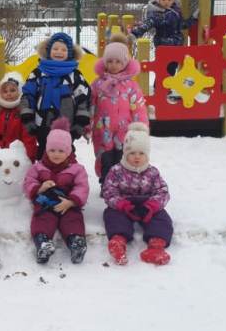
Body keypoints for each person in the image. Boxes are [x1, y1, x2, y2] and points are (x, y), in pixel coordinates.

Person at [102, 123, 173, 266]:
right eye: (132, 153)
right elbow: (109, 191)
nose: (137, 157)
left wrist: (153, 206)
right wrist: (121, 204)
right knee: (113, 216)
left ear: (147, 154)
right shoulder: (116, 171)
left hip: (147, 205)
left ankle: (156, 247)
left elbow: (162, 191)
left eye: (141, 153)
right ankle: (118, 242)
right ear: (125, 153)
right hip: (124, 204)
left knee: (162, 218)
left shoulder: (152, 172)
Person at [22, 118, 89, 264]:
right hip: (46, 202)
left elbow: (82, 186)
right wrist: (40, 188)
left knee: (72, 219)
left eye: (61, 150)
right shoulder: (39, 167)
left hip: (67, 203)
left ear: (68, 151)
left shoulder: (76, 168)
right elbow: (29, 181)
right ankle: (43, 243)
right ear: (46, 149)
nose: (56, 154)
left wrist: (71, 202)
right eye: (52, 150)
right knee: (43, 218)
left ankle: (75, 242)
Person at [21, 32, 91, 159]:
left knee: (66, 155)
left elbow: (83, 98)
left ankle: (68, 177)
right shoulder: (38, 73)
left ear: (69, 54)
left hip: (67, 126)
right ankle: (43, 176)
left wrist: (80, 123)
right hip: (42, 124)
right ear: (48, 51)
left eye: (64, 49)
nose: (59, 52)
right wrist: (27, 116)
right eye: (55, 48)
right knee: (44, 153)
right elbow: (28, 94)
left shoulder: (75, 76)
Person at [90, 33, 149, 185]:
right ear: (104, 63)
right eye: (110, 61)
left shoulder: (131, 85)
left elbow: (138, 107)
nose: (114, 65)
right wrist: (86, 123)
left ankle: (122, 184)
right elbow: (91, 104)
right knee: (105, 158)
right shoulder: (98, 84)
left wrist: (140, 127)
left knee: (122, 157)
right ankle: (106, 183)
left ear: (125, 63)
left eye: (118, 61)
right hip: (103, 130)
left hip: (125, 130)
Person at [0, 71, 37, 162]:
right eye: (5, 91)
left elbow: (28, 139)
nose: (8, 94)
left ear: (20, 91)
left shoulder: (23, 114)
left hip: (16, 157)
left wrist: (29, 159)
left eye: (12, 90)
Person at [130, 0, 195, 47]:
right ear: (159, 1)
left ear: (173, 1)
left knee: (177, 59)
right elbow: (147, 24)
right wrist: (135, 33)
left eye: (169, 0)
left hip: (177, 44)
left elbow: (182, 24)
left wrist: (193, 18)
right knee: (166, 59)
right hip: (163, 45)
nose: (166, 2)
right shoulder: (157, 14)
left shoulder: (176, 12)